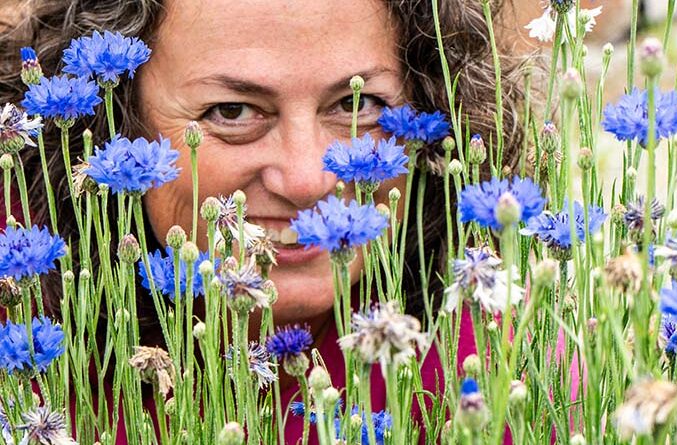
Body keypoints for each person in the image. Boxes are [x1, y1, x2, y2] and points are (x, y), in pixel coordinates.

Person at [0, 0, 540, 443]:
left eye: (361, 106)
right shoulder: (17, 316)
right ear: (112, 116)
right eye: (231, 112)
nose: (306, 181)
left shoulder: (499, 366)